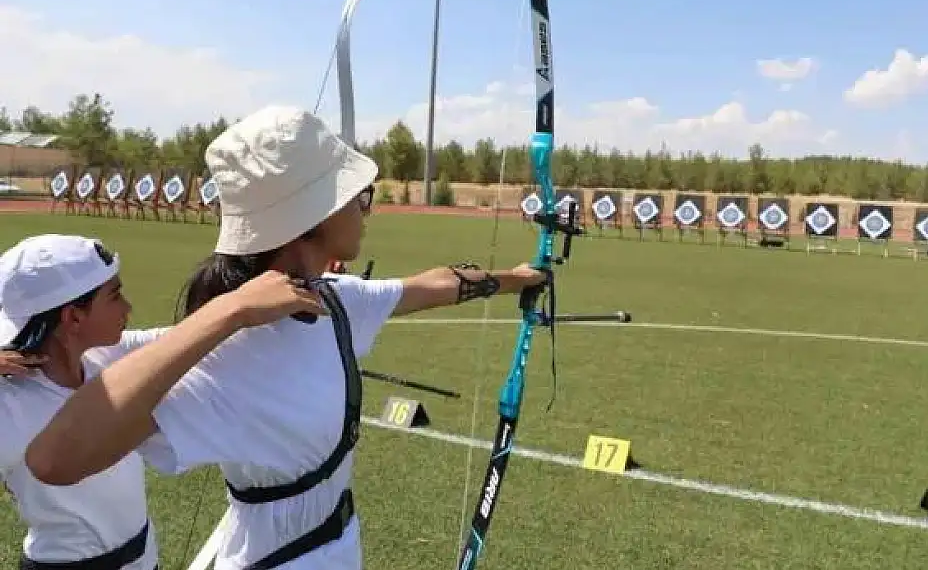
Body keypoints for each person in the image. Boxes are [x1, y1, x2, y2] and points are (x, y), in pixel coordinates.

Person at [24, 105, 547, 569]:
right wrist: (226, 314)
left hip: (336, 544)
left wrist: (520, 278)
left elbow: (425, 286)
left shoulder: (335, 298)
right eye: (357, 197)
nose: (367, 208)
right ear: (313, 218)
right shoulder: (221, 353)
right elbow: (54, 459)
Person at [0, 233, 324, 570]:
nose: (127, 308)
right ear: (73, 319)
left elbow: (180, 340)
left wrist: (252, 300)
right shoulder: (9, 403)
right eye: (115, 296)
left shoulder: (106, 358)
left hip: (142, 558)